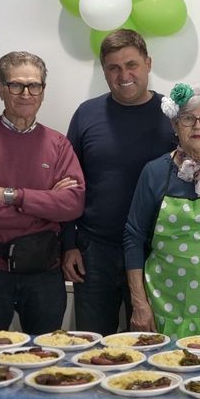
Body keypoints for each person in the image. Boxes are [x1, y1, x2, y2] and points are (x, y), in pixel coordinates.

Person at [0, 51, 84, 333]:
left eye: (34, 85)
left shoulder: (58, 144)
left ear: (43, 91)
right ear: (0, 89)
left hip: (44, 270)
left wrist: (12, 196)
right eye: (16, 85)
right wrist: (46, 206)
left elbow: (73, 204)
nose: (26, 93)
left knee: (47, 359)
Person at [62, 29, 176, 333]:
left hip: (157, 250)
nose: (124, 74)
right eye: (114, 68)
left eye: (132, 65)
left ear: (148, 64)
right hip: (95, 251)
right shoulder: (87, 114)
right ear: (104, 71)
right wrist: (68, 244)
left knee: (152, 346)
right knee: (93, 347)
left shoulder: (174, 116)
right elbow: (67, 185)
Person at [124, 85, 200, 335]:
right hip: (164, 301)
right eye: (188, 119)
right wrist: (139, 304)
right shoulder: (155, 172)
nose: (197, 126)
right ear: (175, 126)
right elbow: (133, 238)